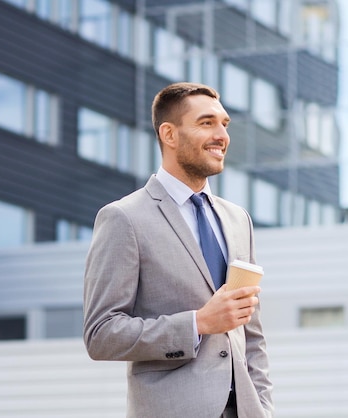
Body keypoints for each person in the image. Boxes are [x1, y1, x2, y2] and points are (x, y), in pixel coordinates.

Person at [83, 82, 274, 418]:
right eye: (206, 123)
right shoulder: (124, 218)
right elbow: (101, 335)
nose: (221, 135)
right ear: (169, 134)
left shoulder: (237, 219)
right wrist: (197, 323)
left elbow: (252, 334)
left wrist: (264, 409)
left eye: (224, 124)